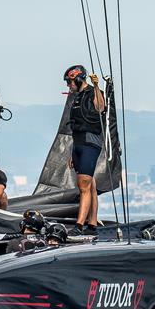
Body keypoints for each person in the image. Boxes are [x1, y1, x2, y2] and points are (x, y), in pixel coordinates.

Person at [64, 64, 105, 237]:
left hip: (90, 142)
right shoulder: (76, 97)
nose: (68, 85)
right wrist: (72, 152)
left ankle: (79, 225)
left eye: (70, 82)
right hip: (78, 143)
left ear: (79, 79)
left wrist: (96, 86)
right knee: (91, 185)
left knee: (84, 185)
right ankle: (92, 223)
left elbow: (100, 107)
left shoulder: (92, 93)